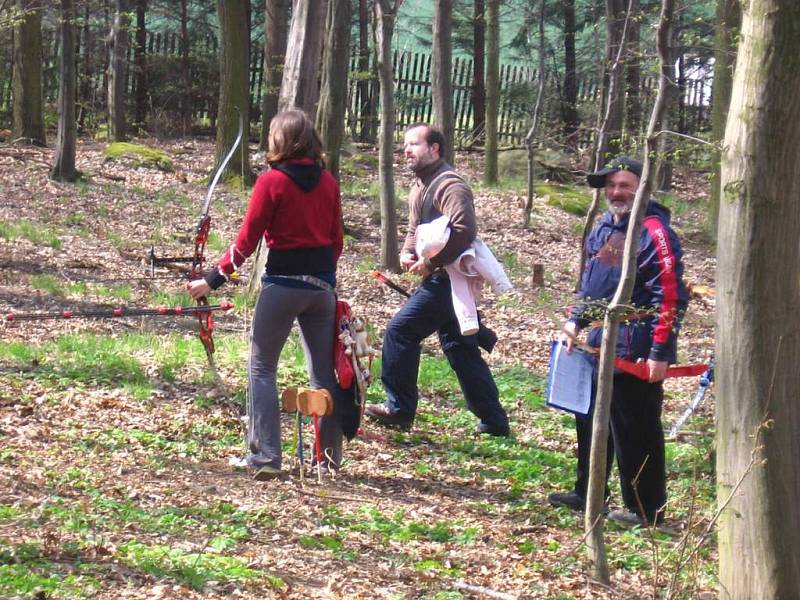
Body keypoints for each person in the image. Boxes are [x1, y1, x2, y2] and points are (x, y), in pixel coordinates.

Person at [187, 109, 344, 481]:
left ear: (281, 140)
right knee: (322, 372)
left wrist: (212, 279)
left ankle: (265, 457)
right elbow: (336, 241)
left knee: (261, 368)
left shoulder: (272, 181)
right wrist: (323, 276)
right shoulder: (328, 182)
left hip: (283, 286)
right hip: (322, 290)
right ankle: (329, 459)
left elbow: (247, 239)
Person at [547, 156, 689, 526]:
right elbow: (590, 284)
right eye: (611, 186)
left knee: (634, 426)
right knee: (589, 418)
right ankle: (588, 492)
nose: (616, 192)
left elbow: (670, 295)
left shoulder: (654, 231)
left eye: (624, 185)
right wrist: (573, 323)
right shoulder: (603, 227)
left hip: (635, 344)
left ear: (642, 188)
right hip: (597, 340)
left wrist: (660, 351)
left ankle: (645, 509)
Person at [365, 123, 510, 437]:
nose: (407, 150)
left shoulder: (450, 185)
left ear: (435, 149)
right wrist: (407, 253)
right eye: (405, 144)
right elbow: (415, 228)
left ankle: (399, 409)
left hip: (449, 280)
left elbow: (464, 231)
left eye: (414, 144)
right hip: (442, 278)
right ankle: (494, 421)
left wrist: (431, 262)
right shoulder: (421, 185)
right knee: (460, 347)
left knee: (400, 332)